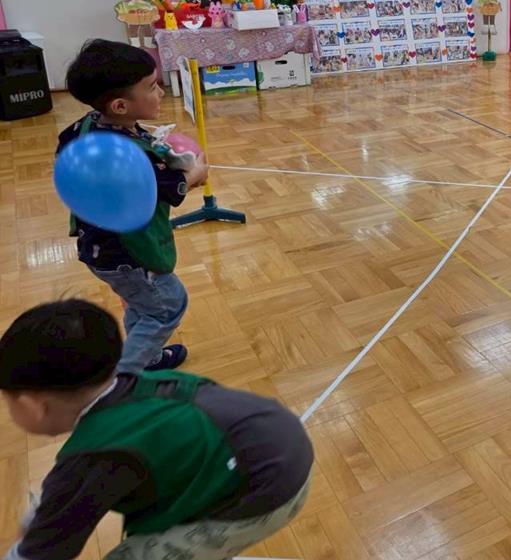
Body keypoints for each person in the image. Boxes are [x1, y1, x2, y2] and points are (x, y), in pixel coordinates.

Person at [0, 299, 313, 560]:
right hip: (274, 438)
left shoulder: (94, 455)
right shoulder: (127, 383)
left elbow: (41, 553)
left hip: (268, 487)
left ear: (32, 406)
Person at [58, 40, 208, 372]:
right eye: (152, 87)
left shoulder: (85, 126)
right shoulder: (135, 159)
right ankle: (125, 376)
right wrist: (194, 173)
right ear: (120, 106)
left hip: (99, 247)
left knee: (143, 305)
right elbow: (172, 188)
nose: (161, 93)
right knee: (168, 306)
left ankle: (147, 358)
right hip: (130, 255)